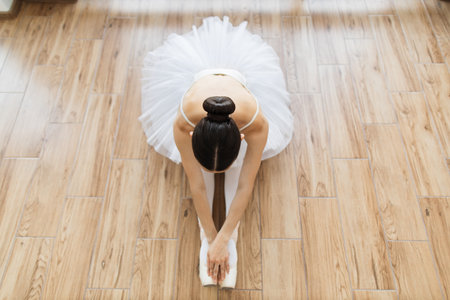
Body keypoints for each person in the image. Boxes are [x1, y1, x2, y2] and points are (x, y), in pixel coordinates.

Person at [139, 16, 293, 288]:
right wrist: (210, 237)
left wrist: (224, 238)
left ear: (242, 137)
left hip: (240, 98)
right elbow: (196, 184)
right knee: (203, 182)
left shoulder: (257, 124)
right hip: (199, 92)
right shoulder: (183, 121)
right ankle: (209, 244)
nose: (216, 173)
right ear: (192, 134)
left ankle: (228, 243)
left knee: (237, 176)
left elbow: (246, 183)